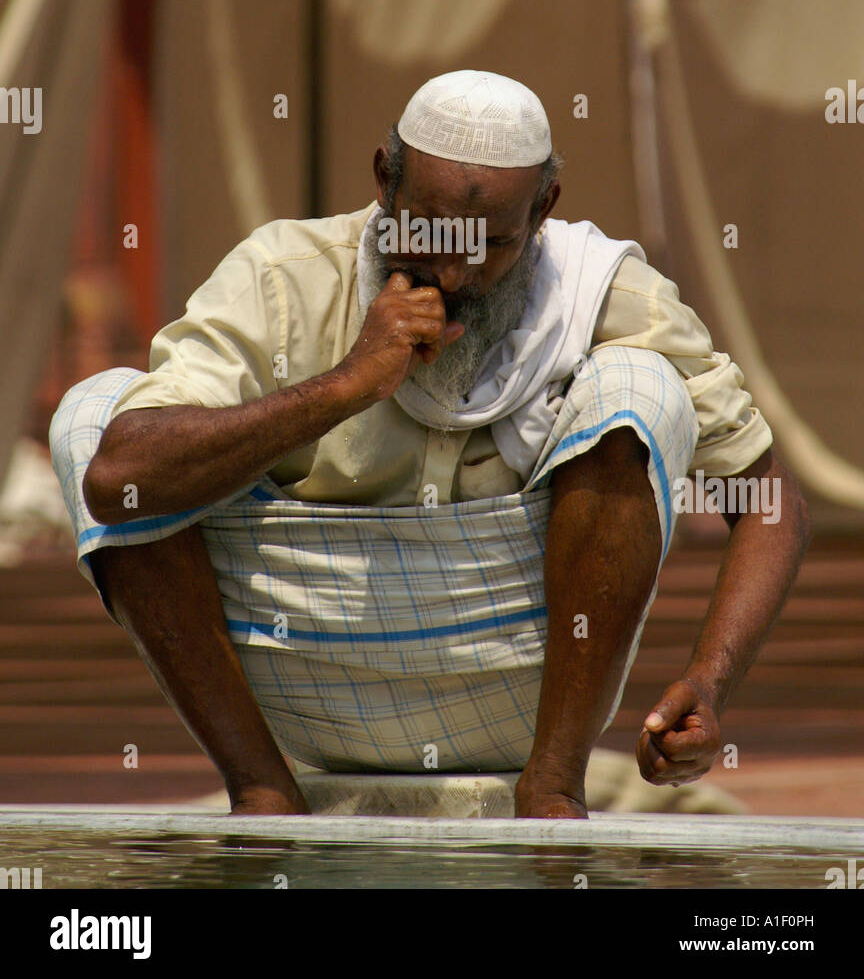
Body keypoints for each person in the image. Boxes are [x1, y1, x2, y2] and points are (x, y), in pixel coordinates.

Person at [50, 69, 810, 819]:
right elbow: (121, 477)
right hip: (297, 677)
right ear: (385, 181)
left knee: (642, 388)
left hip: (513, 684)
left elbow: (770, 499)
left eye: (491, 245)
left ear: (545, 207)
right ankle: (261, 788)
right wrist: (347, 383)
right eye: (428, 231)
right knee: (96, 416)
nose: (453, 271)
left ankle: (551, 791)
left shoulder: (605, 295)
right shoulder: (282, 278)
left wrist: (710, 683)